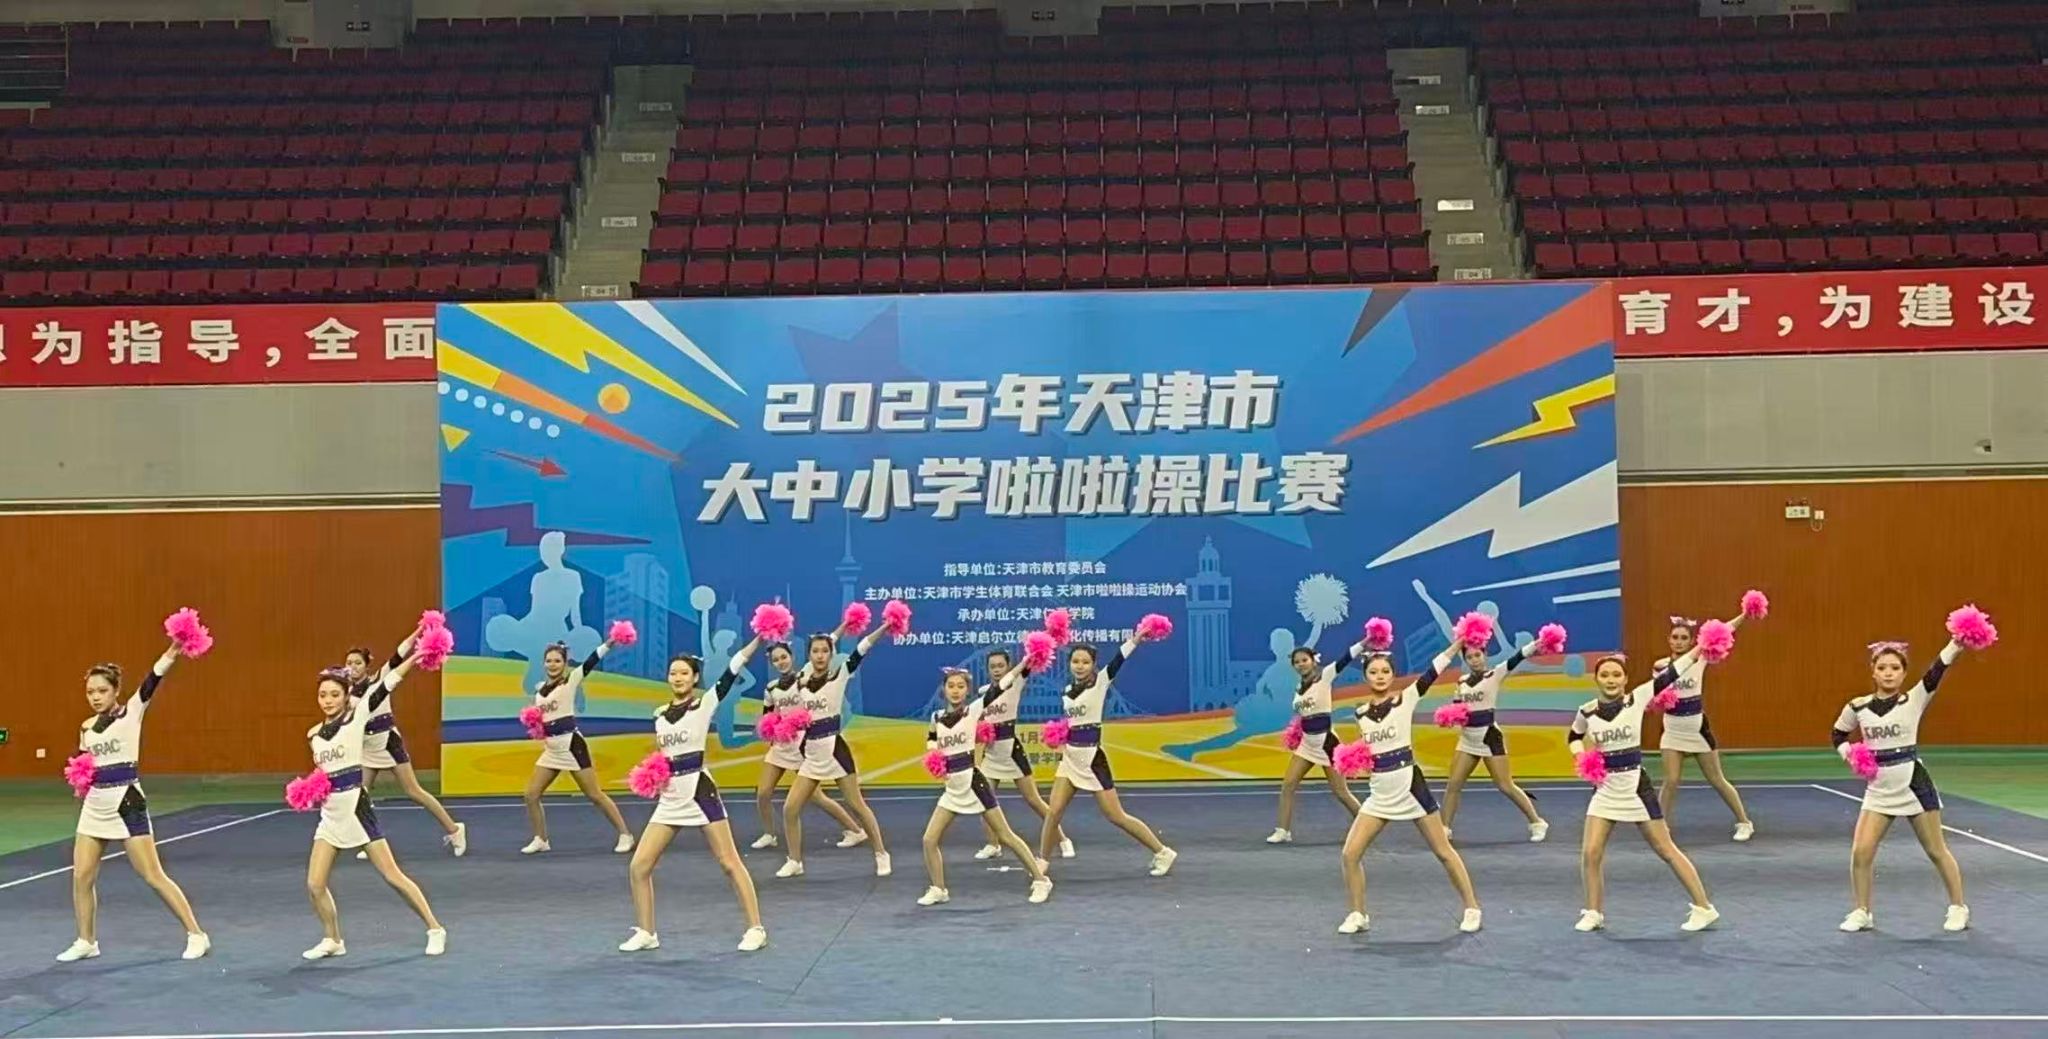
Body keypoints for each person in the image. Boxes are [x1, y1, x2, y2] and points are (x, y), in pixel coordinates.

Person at [56, 642, 210, 963]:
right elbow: (85, 764)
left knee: (153, 874)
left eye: (102, 690)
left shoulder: (132, 711)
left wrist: (173, 650)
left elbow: (154, 677)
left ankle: (197, 934)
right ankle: (86, 940)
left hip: (126, 801)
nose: (95, 697)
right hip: (95, 804)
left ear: (116, 691)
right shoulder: (86, 727)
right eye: (90, 692)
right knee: (81, 876)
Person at [1833, 624, 1987, 933]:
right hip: (1879, 787)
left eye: (1895, 668)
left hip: (1913, 783)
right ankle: (1862, 911)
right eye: (1882, 668)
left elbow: (1937, 670)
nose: (1888, 673)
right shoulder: (1857, 706)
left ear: (1904, 673)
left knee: (1936, 850)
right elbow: (1838, 734)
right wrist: (1850, 753)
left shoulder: (1915, 699)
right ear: (1873, 672)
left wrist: (1955, 644)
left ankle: (1958, 907)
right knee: (1861, 852)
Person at [619, 643, 769, 954]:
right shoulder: (659, 716)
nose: (677, 678)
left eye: (684, 673)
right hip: (670, 796)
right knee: (639, 866)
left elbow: (733, 669)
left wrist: (759, 638)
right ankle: (647, 932)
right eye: (673, 673)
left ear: (695, 677)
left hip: (699, 791)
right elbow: (665, 755)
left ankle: (756, 929)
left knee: (729, 862)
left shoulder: (704, 704)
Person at [300, 655, 448, 959]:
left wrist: (416, 657)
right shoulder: (313, 735)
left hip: (357, 808)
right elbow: (325, 772)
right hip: (330, 813)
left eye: (334, 694)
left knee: (393, 876)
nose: (327, 700)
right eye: (323, 694)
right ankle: (333, 939)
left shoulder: (357, 718)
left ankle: (435, 928)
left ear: (346, 696)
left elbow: (389, 682)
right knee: (315, 884)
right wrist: (312, 786)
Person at [1568, 647, 1719, 934]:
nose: (1611, 680)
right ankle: (1594, 912)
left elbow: (1675, 670)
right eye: (1605, 675)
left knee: (1666, 849)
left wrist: (1702, 645)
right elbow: (1574, 736)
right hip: (1606, 788)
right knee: (1590, 852)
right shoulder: (1586, 711)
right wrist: (1582, 756)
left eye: (1616, 675)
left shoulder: (1637, 698)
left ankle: (1704, 908)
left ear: (1625, 679)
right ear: (1596, 679)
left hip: (1636, 786)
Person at [1335, 646, 1482, 935]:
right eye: (1373, 672)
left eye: (1385, 671)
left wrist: (1457, 643)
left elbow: (1434, 669)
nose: (1380, 676)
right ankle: (1358, 914)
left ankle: (1472, 908)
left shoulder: (1406, 698)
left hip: (1410, 785)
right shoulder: (1360, 713)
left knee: (1443, 851)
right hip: (1380, 790)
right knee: (1349, 854)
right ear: (1365, 676)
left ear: (1394, 674)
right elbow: (1371, 748)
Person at [1035, 629, 1177, 877]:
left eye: (1085, 662)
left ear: (1093, 665)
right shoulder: (1067, 691)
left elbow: (1119, 659)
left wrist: (1136, 639)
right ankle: (1042, 861)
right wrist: (1058, 735)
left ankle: (1162, 851)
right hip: (1070, 758)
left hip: (1092, 760)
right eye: (1075, 661)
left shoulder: (1100, 682)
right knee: (1053, 811)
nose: (1080, 666)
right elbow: (1074, 722)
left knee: (1116, 816)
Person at [916, 669, 1055, 907]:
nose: (956, 690)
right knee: (929, 840)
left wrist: (1023, 663)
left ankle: (1041, 880)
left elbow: (1000, 687)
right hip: (952, 787)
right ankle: (939, 889)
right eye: (951, 686)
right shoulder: (936, 717)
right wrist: (933, 754)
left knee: (1005, 835)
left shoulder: (973, 711)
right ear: (944, 689)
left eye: (961, 686)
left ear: (967, 690)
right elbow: (931, 737)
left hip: (974, 783)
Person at [776, 623, 894, 878]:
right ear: (809, 655)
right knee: (790, 808)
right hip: (812, 752)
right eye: (815, 651)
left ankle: (881, 853)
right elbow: (827, 638)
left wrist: (885, 626)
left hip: (834, 750)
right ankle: (795, 860)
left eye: (825, 651)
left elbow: (863, 648)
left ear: (831, 654)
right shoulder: (801, 680)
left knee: (857, 805)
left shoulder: (840, 675)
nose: (820, 655)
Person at [343, 638, 466, 860]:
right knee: (360, 796)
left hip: (388, 743)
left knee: (414, 791)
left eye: (357, 663)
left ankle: (455, 829)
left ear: (367, 665)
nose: (353, 667)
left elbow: (399, 654)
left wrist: (419, 631)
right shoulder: (347, 691)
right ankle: (371, 842)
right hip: (368, 747)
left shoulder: (380, 678)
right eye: (349, 662)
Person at [747, 640, 869, 854]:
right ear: (772, 663)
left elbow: (827, 643)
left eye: (784, 657)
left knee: (817, 797)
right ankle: (769, 834)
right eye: (776, 660)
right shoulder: (771, 688)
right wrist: (773, 729)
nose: (781, 662)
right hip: (780, 746)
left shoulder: (804, 679)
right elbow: (768, 715)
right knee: (763, 792)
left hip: (802, 745)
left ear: (792, 657)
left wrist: (842, 628)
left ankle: (855, 830)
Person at [521, 637, 634, 855]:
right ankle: (541, 839)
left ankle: (625, 834)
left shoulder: (571, 681)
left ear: (565, 663)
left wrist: (609, 643)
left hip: (572, 746)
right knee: (531, 795)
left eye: (557, 661)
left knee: (594, 794)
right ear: (543, 663)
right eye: (548, 661)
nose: (552, 665)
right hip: (552, 749)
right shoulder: (539, 691)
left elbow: (592, 660)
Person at [1437, 636, 1550, 843]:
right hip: (1467, 739)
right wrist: (1450, 716)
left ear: (1485, 655)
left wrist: (1536, 644)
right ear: (1465, 660)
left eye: (1477, 655)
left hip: (1489, 738)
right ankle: (1444, 829)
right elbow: (1457, 707)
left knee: (1505, 785)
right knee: (1453, 784)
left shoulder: (1495, 674)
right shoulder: (1461, 682)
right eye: (1469, 657)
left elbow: (1518, 657)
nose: (1474, 660)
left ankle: (1537, 822)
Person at [1654, 614, 1757, 841]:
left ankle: (1744, 822)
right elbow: (1656, 694)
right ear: (1669, 640)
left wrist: (1745, 613)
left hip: (1696, 728)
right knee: (1670, 780)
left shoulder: (1699, 657)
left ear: (1692, 641)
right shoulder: (1660, 666)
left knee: (1717, 779)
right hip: (1672, 729)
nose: (1679, 641)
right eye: (1675, 637)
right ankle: (1661, 828)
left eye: (1684, 638)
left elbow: (1725, 629)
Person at [971, 645, 1073, 861]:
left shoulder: (1016, 683)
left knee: (1034, 800)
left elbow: (1029, 663)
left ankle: (1063, 839)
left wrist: (1041, 644)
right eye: (992, 666)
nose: (996, 670)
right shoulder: (983, 693)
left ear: (1008, 667)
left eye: (1001, 666)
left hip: (1011, 751)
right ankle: (993, 844)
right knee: (983, 799)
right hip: (991, 752)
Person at [1267, 637, 1366, 844]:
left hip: (1326, 744)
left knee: (1341, 792)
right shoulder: (1298, 688)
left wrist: (1366, 641)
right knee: (1288, 785)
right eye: (1296, 662)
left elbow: (1346, 657)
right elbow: (1304, 715)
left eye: (1304, 660)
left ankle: (1366, 826)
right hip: (1307, 744)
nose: (1301, 664)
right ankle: (1283, 831)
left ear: (1313, 660)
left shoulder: (1325, 677)